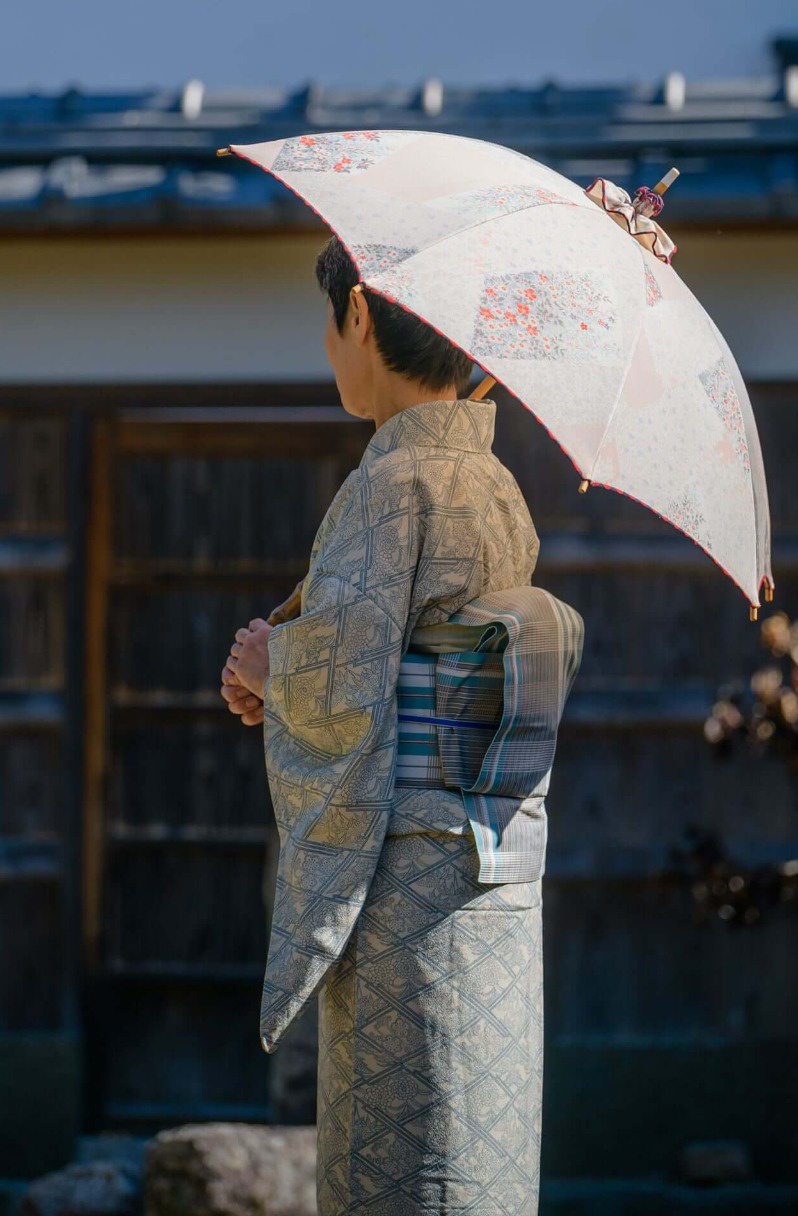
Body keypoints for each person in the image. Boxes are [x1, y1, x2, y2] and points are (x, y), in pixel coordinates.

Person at [222, 235, 584, 1216]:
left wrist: (269, 666)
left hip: (409, 873)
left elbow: (346, 683)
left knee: (403, 1159)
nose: (327, 346)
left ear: (362, 319)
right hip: (492, 867)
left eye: (328, 322)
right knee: (477, 1146)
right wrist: (294, 660)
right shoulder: (492, 484)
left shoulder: (388, 484)